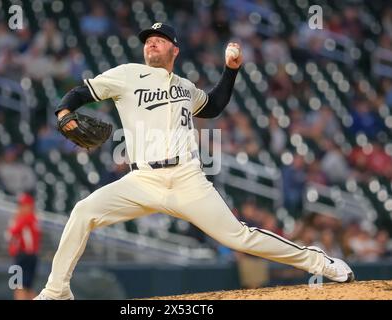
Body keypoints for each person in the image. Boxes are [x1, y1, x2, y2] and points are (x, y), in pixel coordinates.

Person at [35, 23, 354, 300]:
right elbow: (80, 92)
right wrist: (63, 111)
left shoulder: (185, 87)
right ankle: (57, 290)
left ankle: (317, 262)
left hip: (188, 179)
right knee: (83, 211)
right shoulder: (127, 75)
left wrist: (231, 70)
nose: (151, 43)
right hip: (142, 180)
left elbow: (213, 105)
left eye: (158, 39)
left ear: (174, 49)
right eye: (147, 39)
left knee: (239, 237)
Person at [7, 193, 41, 300]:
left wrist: (15, 219)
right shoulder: (34, 219)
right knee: (28, 288)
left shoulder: (25, 219)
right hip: (31, 256)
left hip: (23, 256)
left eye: (23, 205)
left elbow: (9, 235)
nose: (20, 208)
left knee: (18, 287)